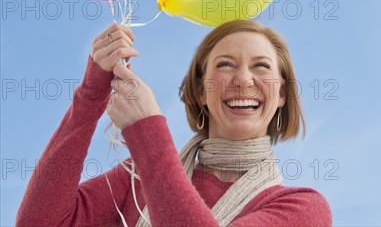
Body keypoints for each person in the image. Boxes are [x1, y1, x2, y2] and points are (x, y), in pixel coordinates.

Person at [16, 19, 332, 226]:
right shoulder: (137, 178)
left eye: (261, 66)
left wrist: (148, 131)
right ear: (200, 92)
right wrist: (90, 94)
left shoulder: (304, 208)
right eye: (225, 65)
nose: (244, 79)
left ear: (281, 95)